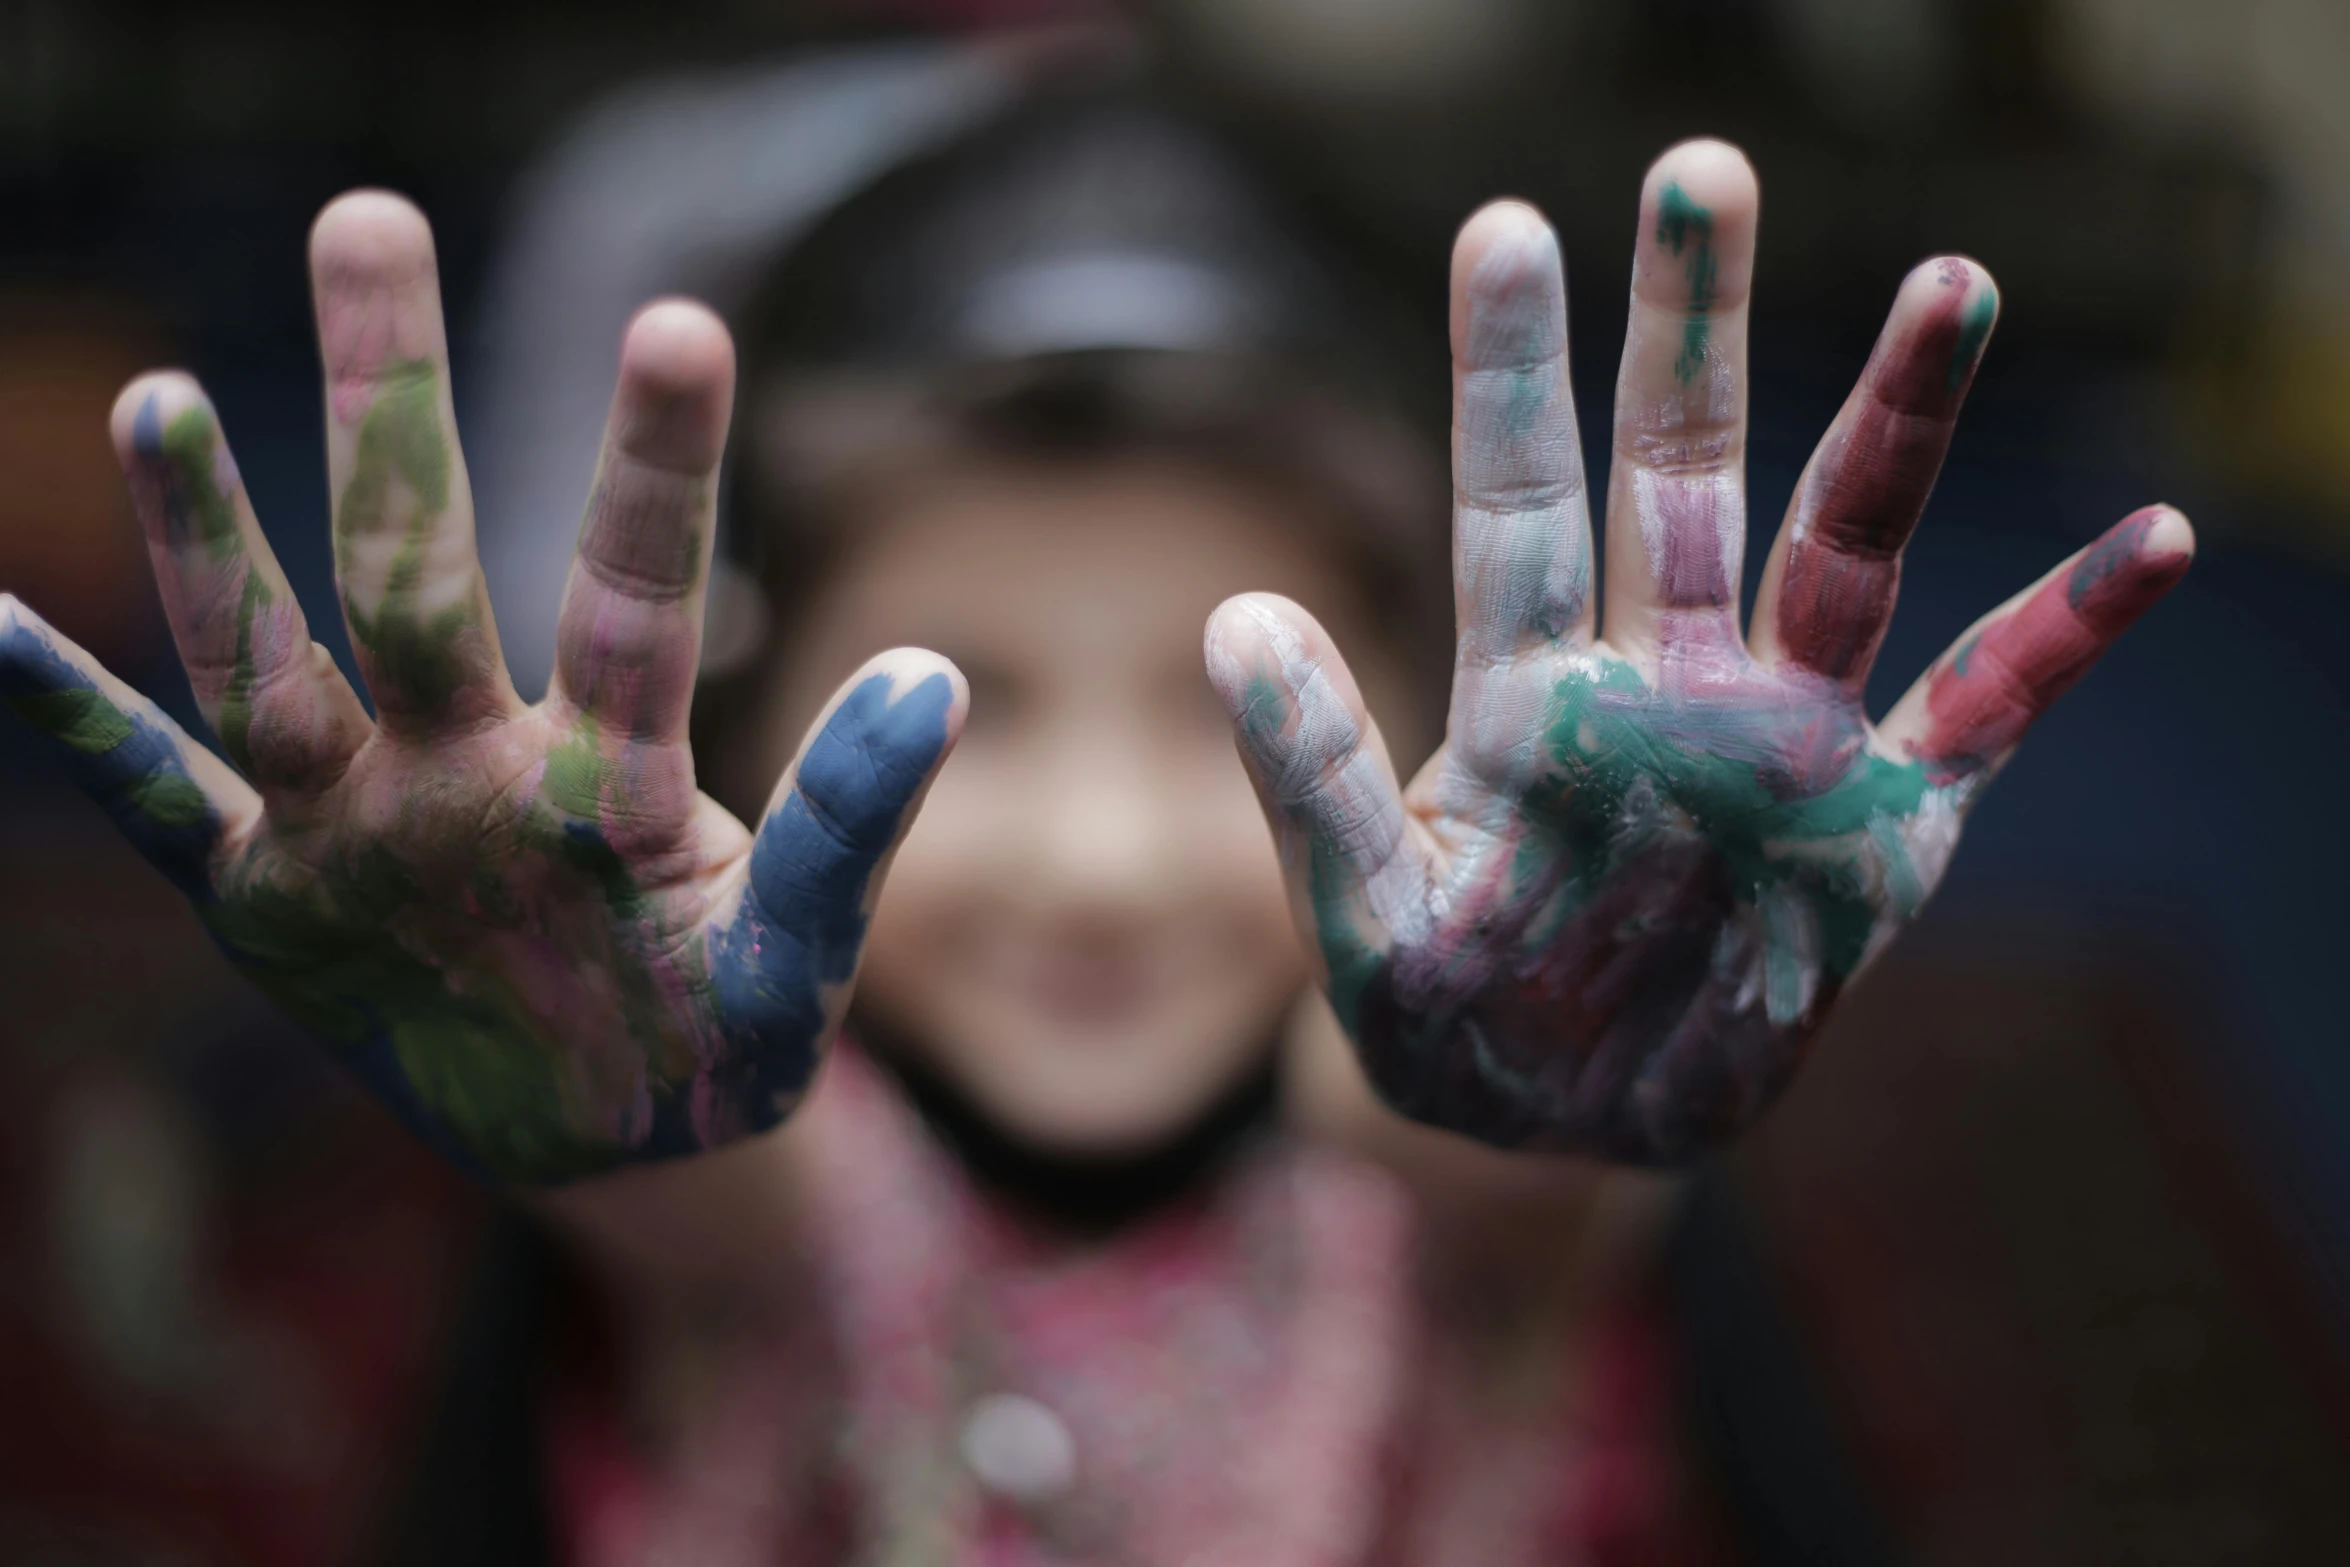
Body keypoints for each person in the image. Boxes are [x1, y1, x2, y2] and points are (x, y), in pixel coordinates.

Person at [0, 78, 2192, 1564]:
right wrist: (567, 1084)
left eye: (1237, 708)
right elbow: (707, 1203)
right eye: (963, 706)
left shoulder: (1442, 1145)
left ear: (1423, 720)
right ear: (764, 710)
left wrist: (1556, 1088)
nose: (1105, 862)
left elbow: (1489, 1159)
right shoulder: (747, 1172)